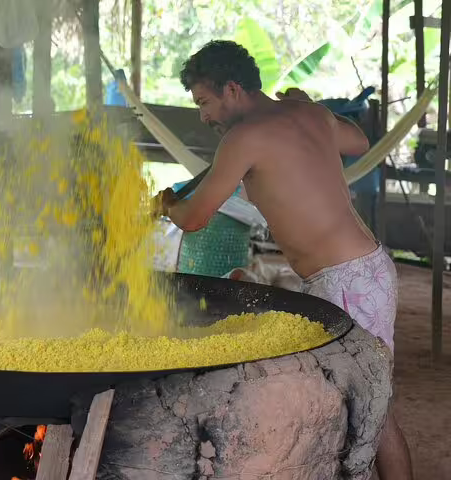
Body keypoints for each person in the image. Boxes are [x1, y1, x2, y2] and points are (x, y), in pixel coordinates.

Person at [156, 40, 413, 480]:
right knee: (367, 404)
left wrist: (165, 205)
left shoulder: (244, 138)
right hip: (361, 270)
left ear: (232, 88)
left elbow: (194, 217)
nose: (203, 116)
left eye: (204, 102)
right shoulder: (307, 115)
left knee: (373, 409)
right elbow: (358, 139)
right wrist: (314, 106)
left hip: (346, 279)